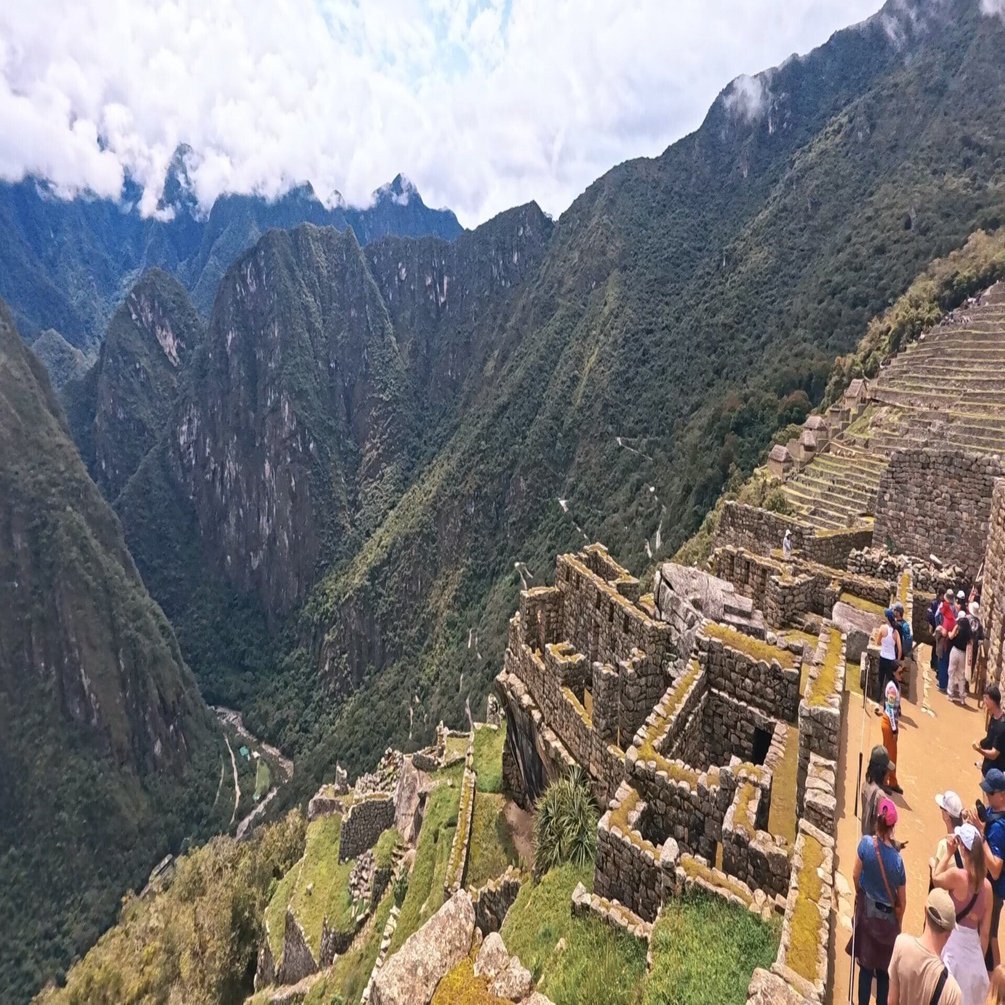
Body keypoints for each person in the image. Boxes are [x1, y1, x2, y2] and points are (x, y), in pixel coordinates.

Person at [853, 798, 907, 1005]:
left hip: (868, 911)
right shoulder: (897, 861)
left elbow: (855, 874)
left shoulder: (866, 845)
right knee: (884, 972)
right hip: (888, 920)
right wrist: (898, 922)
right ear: (893, 826)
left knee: (866, 967)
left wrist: (861, 894)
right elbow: (902, 902)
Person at [933, 823, 992, 1004]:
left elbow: (936, 878)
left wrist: (949, 853)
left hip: (953, 943)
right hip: (973, 950)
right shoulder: (987, 888)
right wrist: (975, 961)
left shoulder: (957, 876)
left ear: (964, 850)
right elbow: (984, 934)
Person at [889, 888, 963, 1005]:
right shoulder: (952, 991)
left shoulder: (901, 945)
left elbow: (892, 1001)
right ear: (948, 934)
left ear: (925, 911)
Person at [964, 769, 1005, 970]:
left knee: (990, 936)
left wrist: (981, 832)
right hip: (986, 885)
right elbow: (985, 817)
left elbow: (996, 868)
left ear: (1002, 795)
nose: (987, 796)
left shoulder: (1000, 828)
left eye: (990, 793)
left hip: (994, 891)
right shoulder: (994, 811)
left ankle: (998, 984)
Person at [932, 791, 966, 889]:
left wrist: (932, 865)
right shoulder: (968, 838)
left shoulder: (944, 844)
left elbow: (937, 879)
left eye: (941, 808)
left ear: (947, 815)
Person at [875, 678, 903, 794]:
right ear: (895, 672)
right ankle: (883, 781)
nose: (902, 674)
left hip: (892, 723)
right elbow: (890, 710)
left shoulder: (895, 685)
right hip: (889, 725)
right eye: (900, 672)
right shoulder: (892, 688)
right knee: (888, 755)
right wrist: (894, 729)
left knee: (893, 755)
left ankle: (892, 781)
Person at [863, 745, 895, 837]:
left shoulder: (865, 785)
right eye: (887, 770)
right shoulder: (880, 796)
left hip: (865, 840)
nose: (889, 774)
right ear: (881, 771)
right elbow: (884, 831)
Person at [975, 686, 1005, 778]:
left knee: (989, 792)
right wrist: (980, 743)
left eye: (986, 698)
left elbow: (993, 755)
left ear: (993, 701)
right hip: (988, 767)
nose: (984, 701)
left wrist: (978, 750)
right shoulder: (994, 716)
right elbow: (989, 739)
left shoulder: (1002, 727)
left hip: (994, 773)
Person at [950, 599, 975, 705]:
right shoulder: (969, 630)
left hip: (955, 651)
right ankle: (962, 698)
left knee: (951, 672)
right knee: (961, 675)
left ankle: (950, 694)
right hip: (963, 653)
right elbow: (971, 643)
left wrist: (950, 632)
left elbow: (951, 636)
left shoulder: (957, 627)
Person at [879, 609, 903, 695]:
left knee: (880, 679)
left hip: (883, 657)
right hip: (891, 659)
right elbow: (900, 649)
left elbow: (878, 642)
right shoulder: (895, 632)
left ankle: (878, 698)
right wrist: (898, 660)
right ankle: (889, 698)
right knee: (890, 680)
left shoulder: (882, 628)